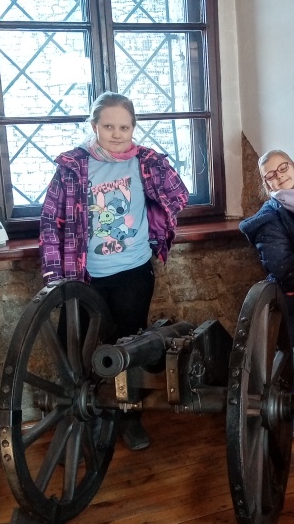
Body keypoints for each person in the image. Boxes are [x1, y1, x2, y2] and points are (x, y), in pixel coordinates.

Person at [40, 91, 189, 450]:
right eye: (109, 126)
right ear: (94, 127)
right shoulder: (73, 167)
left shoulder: (145, 163)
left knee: (129, 348)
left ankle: (129, 418)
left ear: (133, 128)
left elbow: (178, 195)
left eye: (124, 127)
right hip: (85, 276)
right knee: (76, 350)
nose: (117, 134)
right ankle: (84, 418)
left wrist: (156, 190)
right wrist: (55, 276)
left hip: (132, 273)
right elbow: (49, 221)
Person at [239, 150, 294, 438]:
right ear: (267, 185)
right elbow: (282, 264)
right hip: (291, 292)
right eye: (270, 176)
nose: (279, 176)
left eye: (283, 168)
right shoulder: (269, 218)